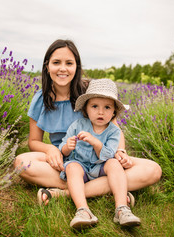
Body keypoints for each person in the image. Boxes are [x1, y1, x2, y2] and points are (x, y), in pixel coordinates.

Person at [13, 39, 161, 218]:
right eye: (56, 62)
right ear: (47, 66)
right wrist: (50, 148)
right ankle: (111, 188)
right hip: (65, 159)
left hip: (101, 158)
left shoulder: (89, 91)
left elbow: (115, 129)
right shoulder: (40, 99)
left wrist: (120, 150)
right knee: (21, 163)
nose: (63, 68)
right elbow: (34, 141)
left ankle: (66, 193)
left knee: (153, 170)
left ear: (77, 66)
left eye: (69, 63)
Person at [59, 78, 140, 228]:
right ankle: (83, 211)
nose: (101, 112)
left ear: (114, 111)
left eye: (107, 107)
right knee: (71, 167)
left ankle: (122, 209)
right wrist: (67, 147)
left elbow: (109, 154)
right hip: (81, 166)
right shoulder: (78, 125)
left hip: (101, 167)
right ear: (86, 109)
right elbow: (63, 149)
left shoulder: (114, 131)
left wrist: (95, 142)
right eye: (95, 106)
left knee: (114, 163)